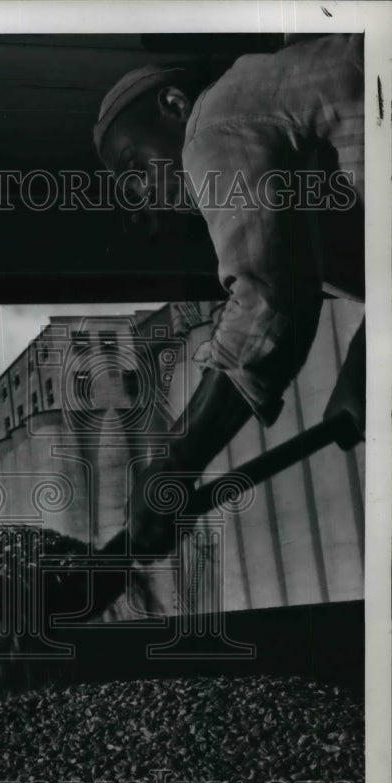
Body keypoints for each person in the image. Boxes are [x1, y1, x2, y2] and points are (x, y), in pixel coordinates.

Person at [93, 34, 365, 559]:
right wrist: (363, 364)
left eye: (132, 167)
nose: (141, 194)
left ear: (174, 106)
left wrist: (176, 463)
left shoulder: (213, 123)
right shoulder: (289, 146)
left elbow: (268, 304)